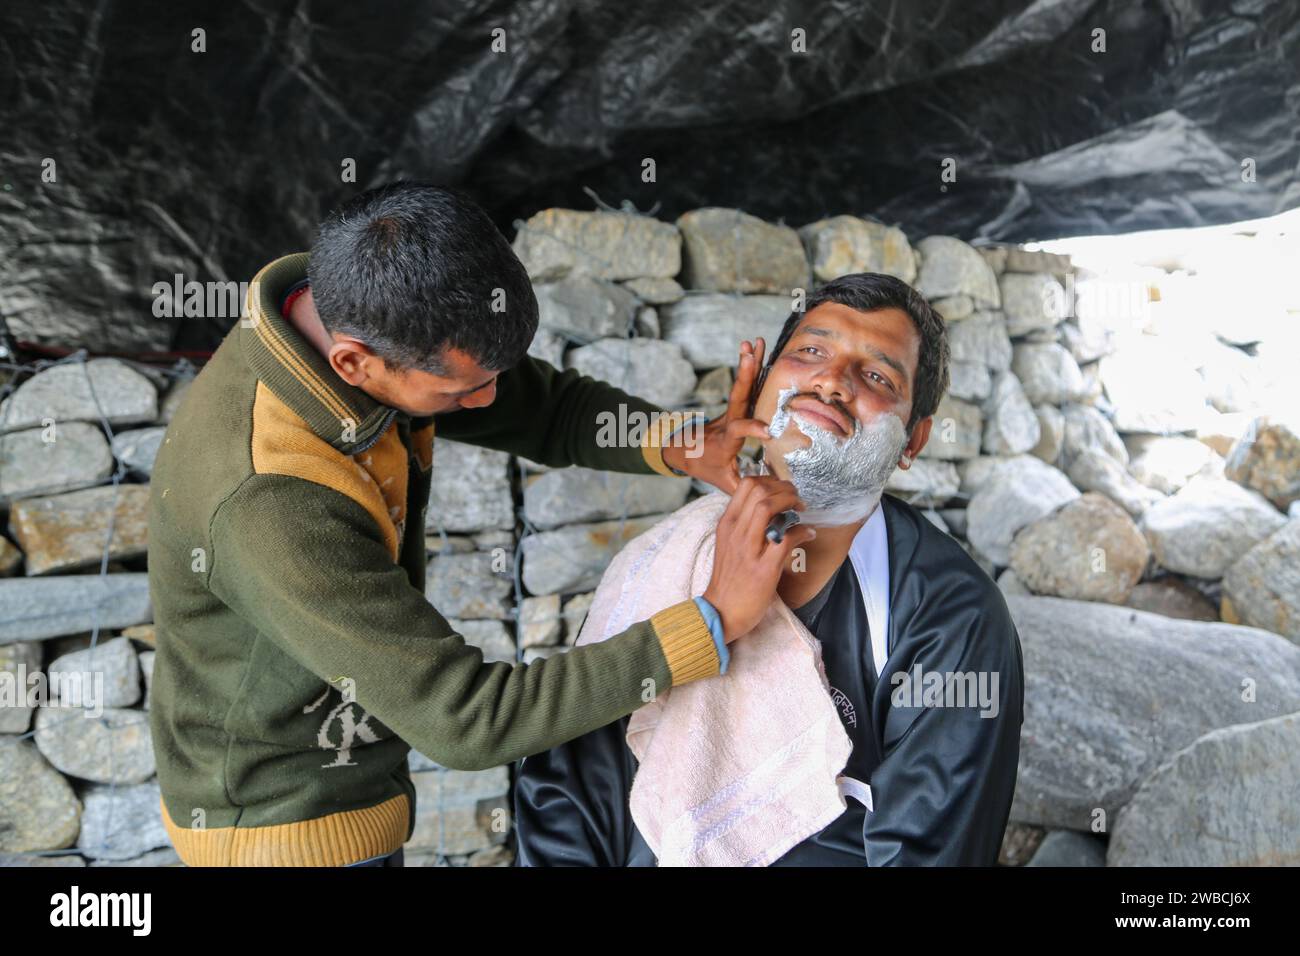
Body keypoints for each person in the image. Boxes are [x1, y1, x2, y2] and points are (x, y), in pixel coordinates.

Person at [146, 181, 815, 867]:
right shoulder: (273, 499)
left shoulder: (356, 307)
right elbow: (467, 720)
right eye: (463, 391)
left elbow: (541, 409)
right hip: (286, 831)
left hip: (343, 793)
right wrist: (711, 621)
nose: (487, 402)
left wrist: (679, 440)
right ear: (353, 361)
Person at [514, 273, 1025, 866]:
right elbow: (568, 789)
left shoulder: (949, 615)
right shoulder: (659, 559)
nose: (832, 381)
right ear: (759, 388)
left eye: (877, 376)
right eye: (810, 351)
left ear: (913, 441)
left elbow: (931, 853)